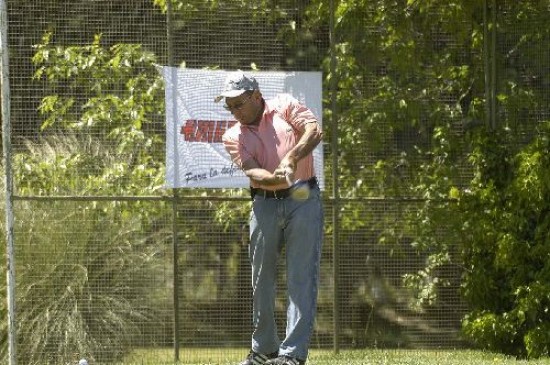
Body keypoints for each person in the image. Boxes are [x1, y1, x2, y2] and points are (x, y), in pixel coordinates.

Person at [216, 70, 324, 365]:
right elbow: (253, 172)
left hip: (303, 197)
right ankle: (264, 349)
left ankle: (291, 356)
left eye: (238, 104)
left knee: (301, 277)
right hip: (264, 202)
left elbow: (314, 131)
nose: (234, 111)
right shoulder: (232, 136)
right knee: (261, 279)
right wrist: (275, 179)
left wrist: (292, 159)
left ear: (256, 96)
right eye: (229, 106)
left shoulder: (285, 105)